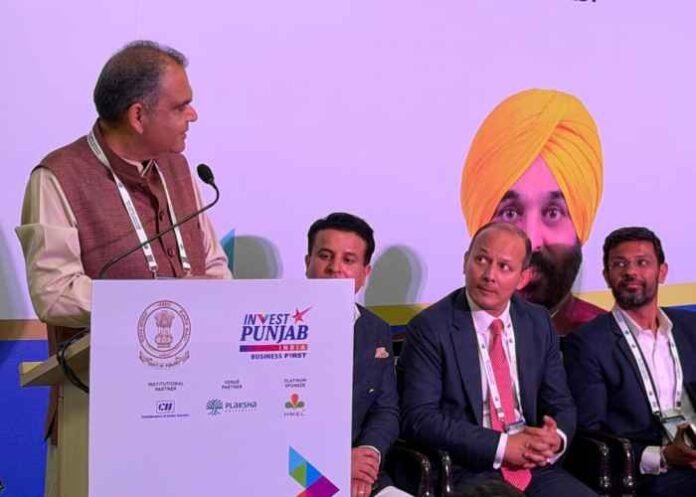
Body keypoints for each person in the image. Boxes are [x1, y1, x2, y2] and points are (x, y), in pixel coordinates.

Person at [15, 40, 231, 495]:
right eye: (181, 106)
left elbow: (213, 267)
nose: (193, 115)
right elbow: (54, 293)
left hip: (194, 401)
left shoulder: (179, 169)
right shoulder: (57, 177)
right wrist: (156, 301)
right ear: (138, 116)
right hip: (98, 409)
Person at [399, 222, 596, 496]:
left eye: (504, 267)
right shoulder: (431, 327)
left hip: (534, 465)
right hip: (469, 468)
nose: (489, 275)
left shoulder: (537, 322)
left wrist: (555, 438)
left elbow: (561, 402)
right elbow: (419, 418)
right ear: (465, 261)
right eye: (481, 260)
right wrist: (503, 446)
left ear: (523, 277)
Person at [564, 227, 696, 497]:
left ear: (662, 272)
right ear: (606, 276)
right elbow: (589, 433)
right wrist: (662, 456)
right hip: (648, 471)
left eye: (642, 262)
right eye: (619, 264)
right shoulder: (588, 343)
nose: (630, 272)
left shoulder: (690, 327)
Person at [460, 89, 605, 334]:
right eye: (510, 213)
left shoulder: (607, 338)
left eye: (552, 213)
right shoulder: (437, 336)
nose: (531, 240)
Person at [305, 212, 408, 497]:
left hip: (362, 473)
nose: (334, 268)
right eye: (325, 256)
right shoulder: (275, 327)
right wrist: (334, 462)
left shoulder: (376, 329)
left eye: (348, 260)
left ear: (365, 272)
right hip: (298, 472)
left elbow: (385, 410)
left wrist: (367, 457)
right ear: (307, 262)